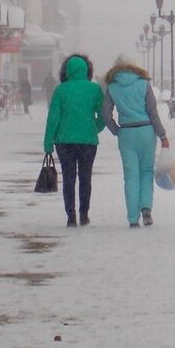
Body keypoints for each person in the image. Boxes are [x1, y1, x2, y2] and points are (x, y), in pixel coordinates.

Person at [102, 55, 169, 228]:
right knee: (147, 171)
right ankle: (146, 208)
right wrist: (163, 136)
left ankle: (133, 218)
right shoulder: (143, 84)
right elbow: (153, 112)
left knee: (131, 176)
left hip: (126, 133)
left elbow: (105, 114)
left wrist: (116, 130)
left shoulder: (112, 87)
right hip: (146, 131)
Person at [43, 54, 105, 227]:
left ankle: (71, 216)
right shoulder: (94, 90)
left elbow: (53, 117)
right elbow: (103, 115)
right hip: (88, 141)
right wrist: (94, 128)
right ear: (87, 70)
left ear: (66, 71)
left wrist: (48, 142)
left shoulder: (61, 90)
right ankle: (84, 214)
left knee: (69, 179)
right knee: (86, 178)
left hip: (64, 141)